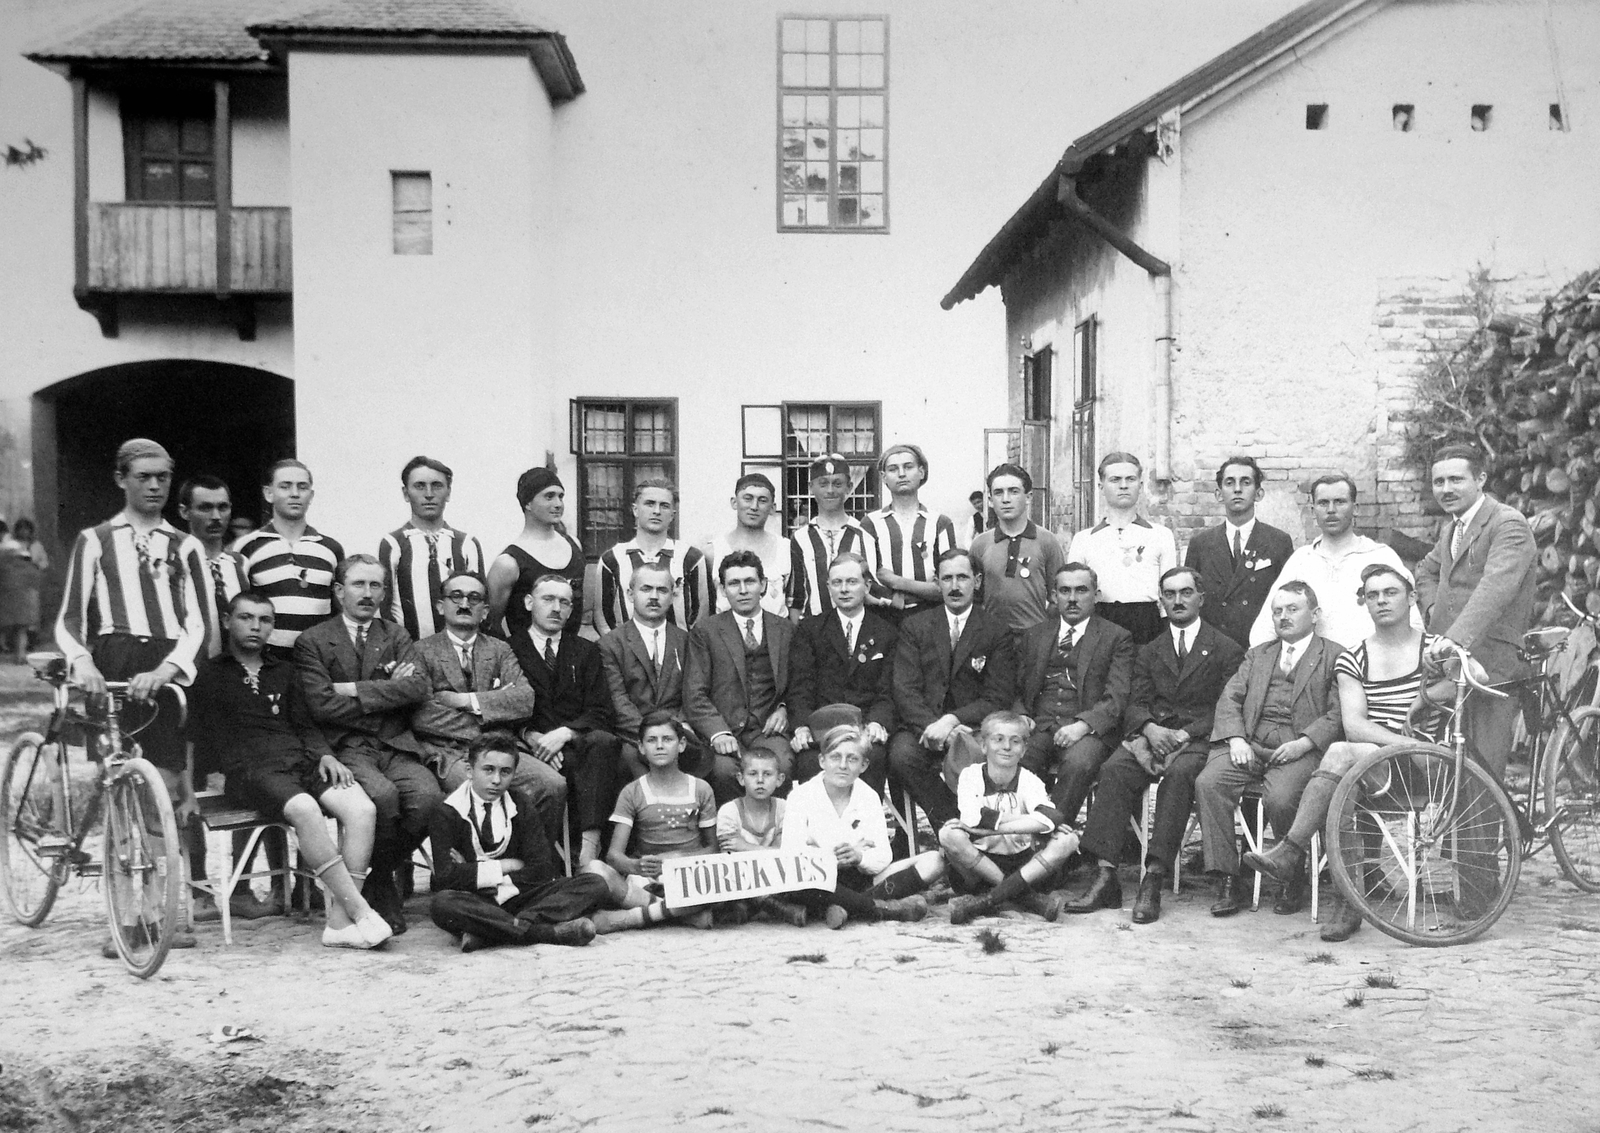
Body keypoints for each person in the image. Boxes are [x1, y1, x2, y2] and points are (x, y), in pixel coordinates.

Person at [1245, 563, 1452, 941]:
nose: (1381, 601)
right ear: (1364, 604)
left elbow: (1477, 679)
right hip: (1376, 769)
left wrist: (1428, 694)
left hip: (1425, 769)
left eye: (1390, 592)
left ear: (1411, 597)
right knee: (1345, 765)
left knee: (1342, 758)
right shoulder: (1353, 658)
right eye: (1372, 596)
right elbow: (1355, 724)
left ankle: (1291, 852)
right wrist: (1405, 741)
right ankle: (1348, 899)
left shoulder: (1432, 649)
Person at [56, 438, 204, 955]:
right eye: (144, 476)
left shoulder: (185, 545)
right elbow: (70, 618)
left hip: (164, 668)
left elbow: (199, 624)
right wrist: (83, 663)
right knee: (118, 786)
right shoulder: (95, 539)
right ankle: (124, 917)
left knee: (162, 786)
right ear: (122, 479)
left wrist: (167, 670)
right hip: (113, 660)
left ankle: (163, 914)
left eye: (163, 476)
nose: (155, 485)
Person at [189, 591, 391, 949]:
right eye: (246, 618)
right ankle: (360, 912)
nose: (255, 627)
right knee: (305, 809)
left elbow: (305, 724)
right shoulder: (209, 675)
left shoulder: (284, 671)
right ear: (226, 621)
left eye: (264, 620)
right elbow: (198, 735)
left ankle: (340, 921)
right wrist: (204, 777)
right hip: (249, 769)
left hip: (300, 761)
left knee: (362, 809)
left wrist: (326, 756)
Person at [1065, 567, 1244, 923]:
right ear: (1160, 601)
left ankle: (1154, 877)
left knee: (1180, 776)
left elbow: (1226, 706)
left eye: (1186, 593)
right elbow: (1134, 700)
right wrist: (1148, 727)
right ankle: (1105, 875)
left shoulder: (1226, 649)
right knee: (1114, 769)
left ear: (1201, 598)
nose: (1178, 601)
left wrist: (1185, 733)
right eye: (1170, 594)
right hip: (1151, 735)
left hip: (1196, 739)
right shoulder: (1148, 650)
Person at [295, 554, 435, 933]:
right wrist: (387, 694)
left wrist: (353, 690)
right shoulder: (314, 641)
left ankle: (378, 875)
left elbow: (418, 687)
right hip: (346, 748)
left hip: (395, 744)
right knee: (384, 797)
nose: (368, 593)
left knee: (427, 798)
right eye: (359, 584)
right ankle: (382, 888)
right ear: (340, 591)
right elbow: (319, 703)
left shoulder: (395, 635)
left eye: (376, 586)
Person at [1194, 581, 1342, 917]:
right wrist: (1235, 739)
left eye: (1293, 609)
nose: (1284, 617)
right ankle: (1230, 879)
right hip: (1250, 744)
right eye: (1278, 611)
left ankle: (1292, 875)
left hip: (1298, 750)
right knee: (1209, 783)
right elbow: (1230, 698)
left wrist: (1305, 742)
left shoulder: (1334, 655)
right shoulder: (1258, 654)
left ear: (1314, 614)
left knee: (1281, 797)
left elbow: (1338, 714)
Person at [177, 474, 277, 923]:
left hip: (232, 686)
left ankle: (237, 886)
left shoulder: (238, 563)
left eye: (222, 507)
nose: (215, 517)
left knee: (242, 778)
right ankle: (198, 887)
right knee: (190, 786)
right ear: (185, 512)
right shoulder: (173, 559)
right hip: (187, 684)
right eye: (204, 508)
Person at [1415, 444, 1537, 784]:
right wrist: (1435, 612)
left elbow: (1495, 589)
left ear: (1480, 479)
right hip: (1454, 664)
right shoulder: (1451, 529)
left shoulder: (1508, 524)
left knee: (1483, 776)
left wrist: (1452, 638)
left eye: (1456, 479)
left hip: (1494, 663)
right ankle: (1455, 839)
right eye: (1438, 481)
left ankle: (1492, 839)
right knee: (1453, 772)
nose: (1446, 489)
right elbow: (1425, 572)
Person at [410, 569, 566, 834]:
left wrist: (466, 701)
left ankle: (532, 860)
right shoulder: (420, 651)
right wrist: (495, 707)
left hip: (502, 747)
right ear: (440, 606)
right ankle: (477, 869)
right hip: (451, 752)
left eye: (474, 598)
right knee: (477, 790)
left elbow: (524, 700)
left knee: (552, 784)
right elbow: (423, 714)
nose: (464, 604)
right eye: (456, 596)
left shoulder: (499, 649)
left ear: (484, 610)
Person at [428, 733, 610, 952]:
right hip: (477, 900)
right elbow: (445, 877)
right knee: (443, 903)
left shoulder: (519, 803)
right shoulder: (447, 811)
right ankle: (544, 932)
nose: (496, 780)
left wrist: (472, 870)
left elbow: (541, 869)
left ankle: (491, 931)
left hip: (520, 896)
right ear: (470, 771)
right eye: (488, 770)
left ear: (514, 773)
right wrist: (508, 865)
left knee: (595, 883)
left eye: (505, 772)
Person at [887, 549, 1016, 832]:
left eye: (962, 577)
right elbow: (905, 688)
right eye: (947, 579)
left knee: (991, 757)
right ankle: (955, 826)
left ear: (977, 581)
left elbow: (997, 696)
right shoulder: (915, 626)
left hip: (972, 728)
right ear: (937, 582)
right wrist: (932, 726)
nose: (955, 586)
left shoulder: (996, 630)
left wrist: (953, 721)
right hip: (923, 724)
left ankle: (981, 833)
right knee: (901, 756)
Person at [508, 573, 622, 869]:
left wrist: (566, 733)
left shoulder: (584, 650)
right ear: (529, 602)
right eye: (548, 599)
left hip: (576, 743)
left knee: (605, 742)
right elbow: (505, 707)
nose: (556, 608)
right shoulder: (509, 648)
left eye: (565, 602)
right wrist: (531, 737)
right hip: (528, 746)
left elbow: (601, 710)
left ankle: (588, 848)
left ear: (571, 610)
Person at [1013, 563, 1134, 827]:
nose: (1072, 598)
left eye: (1081, 590)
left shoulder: (1117, 637)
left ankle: (1051, 841)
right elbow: (1017, 687)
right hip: (1041, 725)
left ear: (1096, 595)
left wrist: (1083, 726)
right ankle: (1014, 841)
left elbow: (1117, 696)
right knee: (1015, 758)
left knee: (1078, 764)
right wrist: (1021, 715)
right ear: (1054, 596)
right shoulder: (1035, 635)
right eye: (1064, 591)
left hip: (1088, 730)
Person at [781, 724, 937, 928]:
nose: (843, 765)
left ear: (863, 765)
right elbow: (792, 855)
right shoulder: (801, 797)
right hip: (819, 879)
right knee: (803, 880)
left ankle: (844, 907)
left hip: (860, 877)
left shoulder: (868, 797)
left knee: (933, 861)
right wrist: (828, 858)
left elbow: (882, 856)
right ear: (822, 761)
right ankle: (879, 909)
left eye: (852, 759)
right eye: (835, 757)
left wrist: (859, 856)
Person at [1248, 473, 1421, 650]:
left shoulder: (1381, 556)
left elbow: (1411, 622)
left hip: (1372, 665)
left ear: (1355, 509)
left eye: (1340, 502)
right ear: (1313, 510)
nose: (1331, 510)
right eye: (1323, 503)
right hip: (1317, 669)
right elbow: (1265, 627)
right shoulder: (1301, 560)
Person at [581, 712, 718, 931]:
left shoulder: (700, 789)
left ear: (681, 744)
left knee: (719, 884)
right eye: (652, 740)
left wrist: (676, 858)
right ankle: (682, 914)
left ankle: (631, 918)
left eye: (668, 739)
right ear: (641, 748)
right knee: (594, 869)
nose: (660, 746)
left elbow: (713, 849)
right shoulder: (633, 792)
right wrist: (636, 865)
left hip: (690, 876)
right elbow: (614, 856)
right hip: (648, 880)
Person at [941, 712, 1075, 924]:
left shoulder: (1030, 780)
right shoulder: (971, 775)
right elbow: (974, 818)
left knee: (1069, 840)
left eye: (1015, 741)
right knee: (949, 835)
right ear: (984, 746)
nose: (1007, 747)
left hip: (1022, 864)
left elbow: (1051, 818)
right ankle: (1025, 897)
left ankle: (988, 900)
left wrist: (994, 827)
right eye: (998, 739)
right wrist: (1028, 822)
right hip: (980, 865)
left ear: (1023, 750)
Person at [683, 550, 796, 801]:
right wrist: (718, 732)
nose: (743, 590)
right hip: (726, 731)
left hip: (767, 733)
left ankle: (775, 835)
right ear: (723, 590)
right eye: (734, 583)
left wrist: (784, 708)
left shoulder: (785, 630)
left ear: (763, 585)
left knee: (782, 766)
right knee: (724, 772)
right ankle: (731, 836)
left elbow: (798, 684)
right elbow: (694, 693)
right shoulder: (706, 632)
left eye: (750, 581)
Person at [788, 552, 898, 793]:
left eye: (852, 582)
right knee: (808, 763)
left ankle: (863, 828)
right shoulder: (810, 630)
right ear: (828, 587)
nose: (844, 589)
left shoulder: (886, 632)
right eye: (837, 583)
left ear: (867, 585)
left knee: (874, 757)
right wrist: (801, 726)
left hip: (865, 728)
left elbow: (887, 689)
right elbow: (800, 687)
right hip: (822, 730)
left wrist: (878, 722)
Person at [599, 560, 712, 783]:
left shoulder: (686, 641)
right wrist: (653, 736)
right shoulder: (610, 644)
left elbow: (692, 694)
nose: (654, 597)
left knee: (702, 760)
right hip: (632, 737)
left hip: (681, 736)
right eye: (646, 589)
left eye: (662, 590)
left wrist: (674, 732)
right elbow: (619, 702)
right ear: (631, 595)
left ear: (672, 596)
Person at [234, 460, 346, 658]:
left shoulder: (330, 549)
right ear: (269, 493)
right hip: (267, 661)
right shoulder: (247, 546)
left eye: (302, 487)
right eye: (285, 486)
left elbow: (340, 610)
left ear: (311, 495)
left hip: (318, 662)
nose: (295, 493)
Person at [1067, 453, 1177, 645]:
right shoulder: (1084, 539)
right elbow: (1075, 592)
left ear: (1140, 486)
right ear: (1101, 487)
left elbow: (1169, 592)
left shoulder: (1161, 535)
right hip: (1100, 623)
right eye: (1115, 480)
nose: (1123, 485)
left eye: (1130, 479)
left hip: (1147, 626)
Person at [1183, 456, 1293, 648]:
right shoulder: (1201, 544)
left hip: (1261, 646)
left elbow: (1288, 597)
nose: (1237, 489)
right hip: (1212, 649)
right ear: (1218, 494)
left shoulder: (1278, 541)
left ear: (1259, 494)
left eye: (1246, 482)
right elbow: (1190, 599)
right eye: (1229, 482)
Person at [378, 456, 486, 644]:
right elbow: (385, 605)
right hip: (409, 649)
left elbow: (479, 601)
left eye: (437, 486)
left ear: (448, 492)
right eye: (419, 486)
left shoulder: (465, 543)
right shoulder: (394, 543)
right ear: (406, 493)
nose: (429, 494)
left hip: (459, 649)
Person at [594, 478, 713, 635]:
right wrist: (619, 650)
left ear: (672, 515)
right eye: (650, 504)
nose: (656, 511)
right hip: (627, 654)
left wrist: (687, 650)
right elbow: (601, 616)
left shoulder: (691, 557)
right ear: (635, 510)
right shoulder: (612, 559)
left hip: (678, 653)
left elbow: (701, 614)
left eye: (664, 506)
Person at [860, 443, 957, 624]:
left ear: (921, 472)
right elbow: (870, 582)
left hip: (931, 617)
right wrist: (921, 591)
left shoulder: (940, 523)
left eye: (908, 467)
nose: (901, 474)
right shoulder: (870, 523)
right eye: (893, 469)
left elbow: (947, 584)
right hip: (884, 617)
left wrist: (896, 581)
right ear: (884, 477)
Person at [487, 467, 586, 639]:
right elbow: (491, 623)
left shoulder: (573, 545)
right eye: (549, 496)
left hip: (570, 655)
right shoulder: (509, 562)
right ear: (528, 503)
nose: (558, 504)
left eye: (560, 496)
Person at [969, 463, 1067, 633]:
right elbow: (973, 597)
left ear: (1028, 497)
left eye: (1014, 491)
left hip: (1035, 638)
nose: (1006, 499)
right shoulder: (980, 544)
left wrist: (1043, 631)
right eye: (998, 493)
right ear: (991, 501)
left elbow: (1059, 596)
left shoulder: (1047, 541)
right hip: (992, 639)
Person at [715, 747, 806, 926]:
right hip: (740, 876)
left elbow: (786, 853)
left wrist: (747, 848)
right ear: (741, 778)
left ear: (779, 780)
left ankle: (751, 906)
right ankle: (768, 904)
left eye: (767, 774)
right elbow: (729, 855)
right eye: (752, 774)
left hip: (777, 875)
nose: (760, 780)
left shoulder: (784, 808)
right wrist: (769, 851)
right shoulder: (729, 811)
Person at [790, 454, 879, 618]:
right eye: (823, 484)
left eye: (837, 484)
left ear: (849, 487)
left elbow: (871, 587)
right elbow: (797, 596)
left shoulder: (863, 533)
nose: (830, 490)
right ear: (811, 487)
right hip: (813, 628)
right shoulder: (801, 537)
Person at [707, 473, 803, 619]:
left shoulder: (787, 550)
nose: (754, 507)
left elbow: (795, 606)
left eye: (762, 500)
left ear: (772, 508)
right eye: (748, 498)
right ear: (734, 502)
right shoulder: (713, 552)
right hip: (726, 638)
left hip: (776, 638)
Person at [0, 518, 47, 663]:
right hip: (22, 599)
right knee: (20, 629)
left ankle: (18, 654)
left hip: (12, 599)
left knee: (17, 629)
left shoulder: (5, 562)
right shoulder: (26, 565)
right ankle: (19, 655)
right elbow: (36, 577)